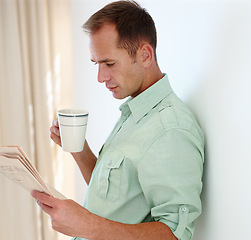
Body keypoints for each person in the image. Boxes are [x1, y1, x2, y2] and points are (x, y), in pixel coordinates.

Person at [31, 1, 205, 240]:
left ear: (145, 55)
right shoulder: (134, 114)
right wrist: (79, 149)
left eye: (109, 63)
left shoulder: (170, 129)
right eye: (97, 64)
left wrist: (86, 225)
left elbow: (175, 234)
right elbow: (115, 199)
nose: (101, 77)